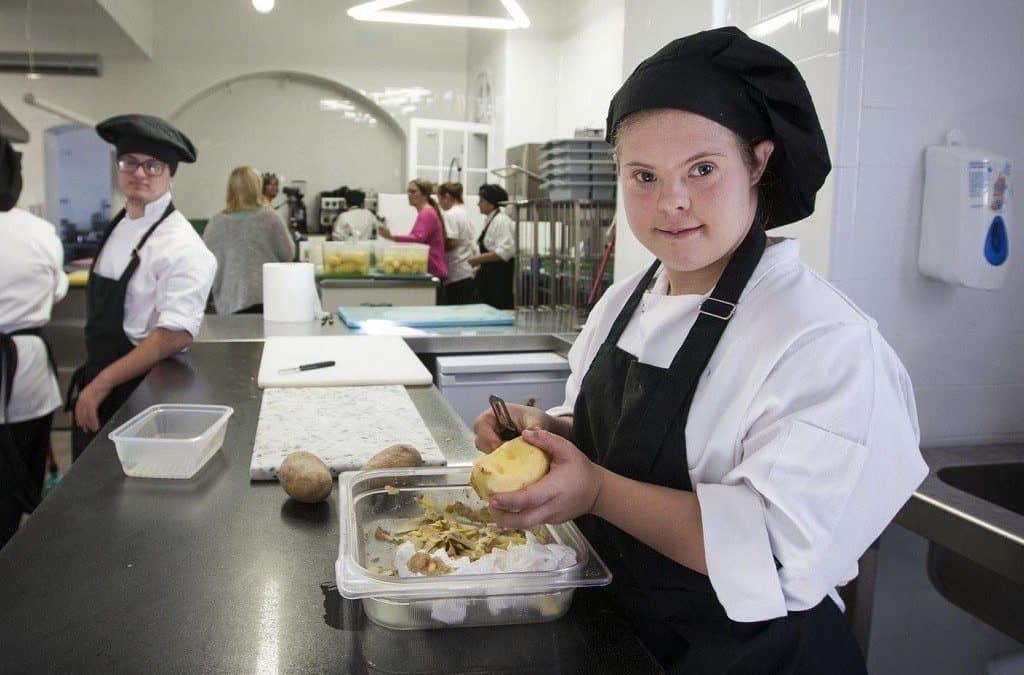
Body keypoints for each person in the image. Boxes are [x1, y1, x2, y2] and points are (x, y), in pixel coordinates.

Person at [471, 27, 927, 674]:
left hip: (753, 657)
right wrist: (551, 433)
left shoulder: (824, 342)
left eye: (702, 169)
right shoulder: (625, 301)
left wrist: (595, 489)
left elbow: (768, 547)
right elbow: (620, 436)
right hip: (624, 633)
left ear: (759, 163)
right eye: (643, 176)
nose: (672, 201)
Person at [67, 114, 216, 460]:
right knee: (89, 498)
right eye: (130, 163)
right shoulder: (121, 223)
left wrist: (103, 382)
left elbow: (174, 335)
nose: (139, 173)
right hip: (101, 384)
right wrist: (97, 383)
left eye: (153, 166)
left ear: (170, 174)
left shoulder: (183, 245)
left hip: (144, 393)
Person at [0, 136, 67, 548]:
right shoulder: (39, 231)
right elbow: (57, 290)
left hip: (20, 366)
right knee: (25, 475)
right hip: (27, 373)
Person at [203, 166, 294, 314]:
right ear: (258, 187)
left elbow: (205, 266)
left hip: (229, 306)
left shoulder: (215, 224)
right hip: (269, 303)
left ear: (230, 189)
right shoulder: (271, 218)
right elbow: (288, 254)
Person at [377, 178, 448, 281]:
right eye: (408, 191)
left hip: (433, 271)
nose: (409, 195)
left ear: (424, 195)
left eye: (413, 191)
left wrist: (391, 237)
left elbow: (417, 238)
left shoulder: (427, 213)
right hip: (431, 270)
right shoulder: (426, 212)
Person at [468, 184, 515, 309]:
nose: (478, 204)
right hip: (489, 278)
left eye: (481, 201)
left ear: (491, 203)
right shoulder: (491, 220)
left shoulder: (501, 221)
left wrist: (477, 260)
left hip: (499, 280)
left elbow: (504, 252)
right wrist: (478, 268)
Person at [436, 182, 477, 304]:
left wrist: (435, 250)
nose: (440, 204)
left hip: (456, 273)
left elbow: (452, 242)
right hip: (466, 271)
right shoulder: (463, 213)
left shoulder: (450, 214)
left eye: (440, 199)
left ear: (447, 197)